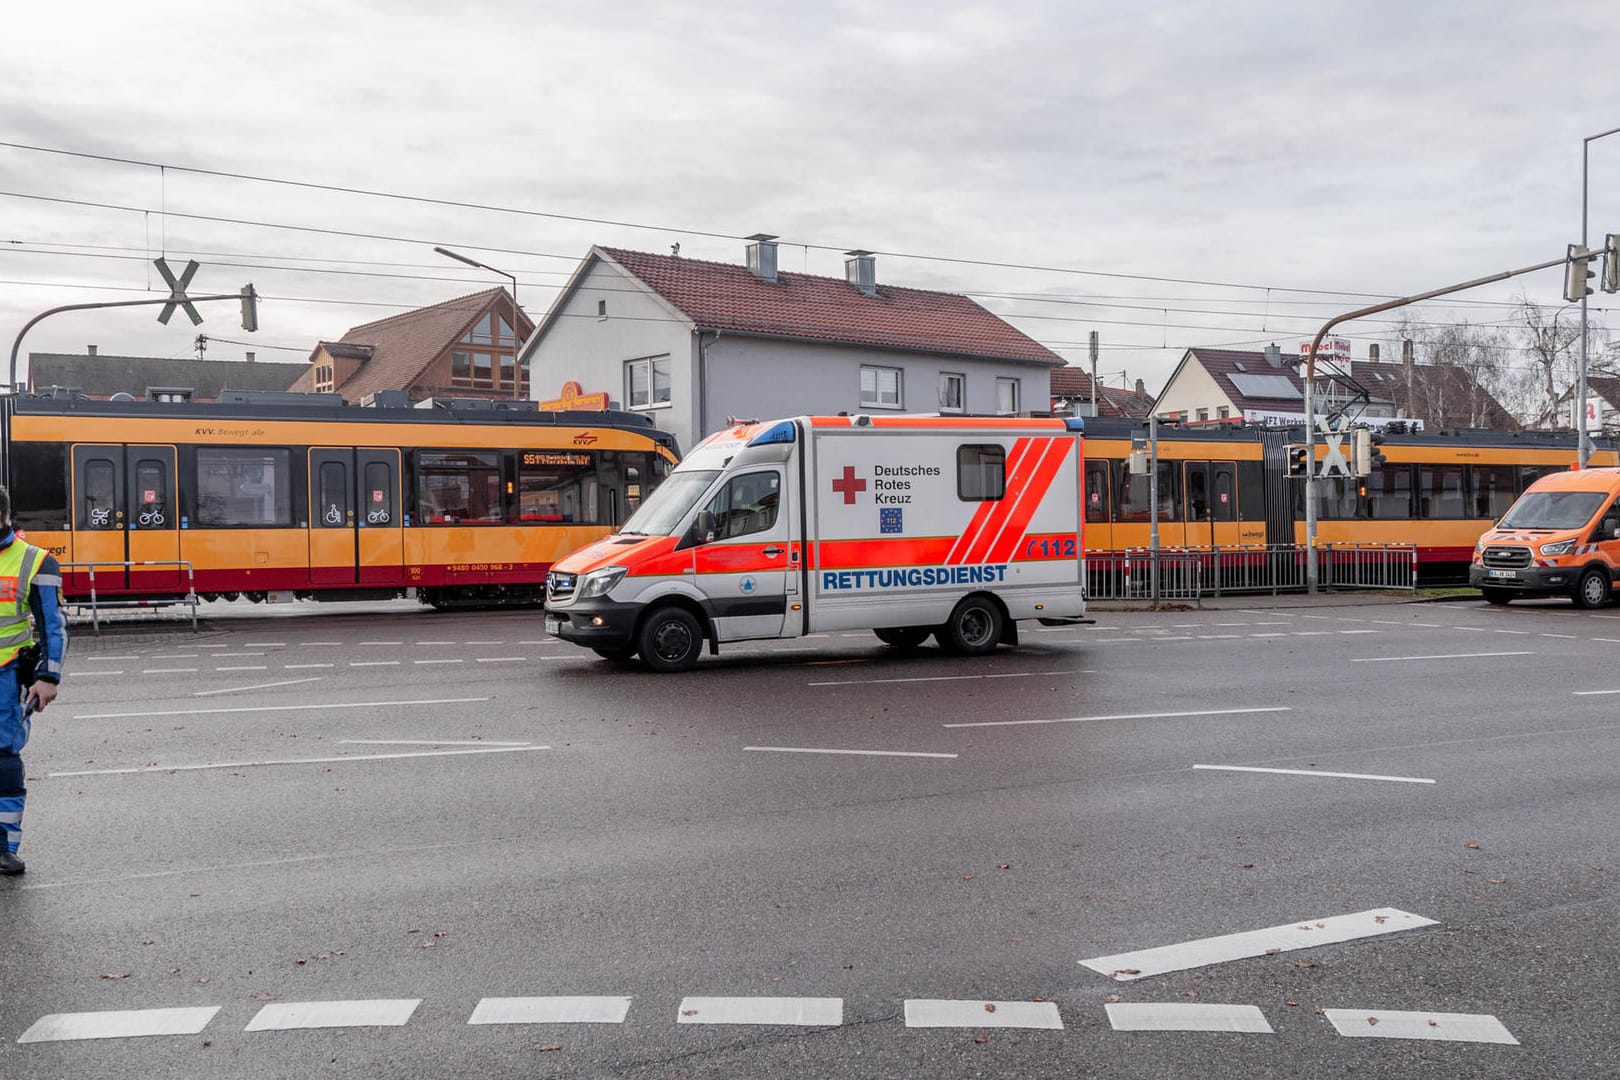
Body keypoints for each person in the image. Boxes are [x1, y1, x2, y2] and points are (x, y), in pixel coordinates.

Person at [0, 485, 66, 876]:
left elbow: (53, 627)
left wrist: (47, 676)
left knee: (3, 759)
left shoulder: (35, 561)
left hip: (6, 676)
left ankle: (4, 845)